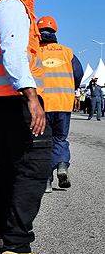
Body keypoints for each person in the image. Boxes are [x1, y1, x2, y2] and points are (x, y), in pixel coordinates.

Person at [0, 0, 59, 254]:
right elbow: (13, 51)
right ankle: (18, 249)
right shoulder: (13, 4)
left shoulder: (9, 3)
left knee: (11, 167)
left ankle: (2, 234)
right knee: (35, 164)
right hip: (13, 99)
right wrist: (31, 97)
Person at [37, 16, 83, 192]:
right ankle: (62, 164)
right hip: (63, 103)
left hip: (42, 105)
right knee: (60, 138)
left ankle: (47, 182)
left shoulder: (34, 53)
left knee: (44, 142)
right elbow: (77, 75)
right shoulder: (67, 52)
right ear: (54, 31)